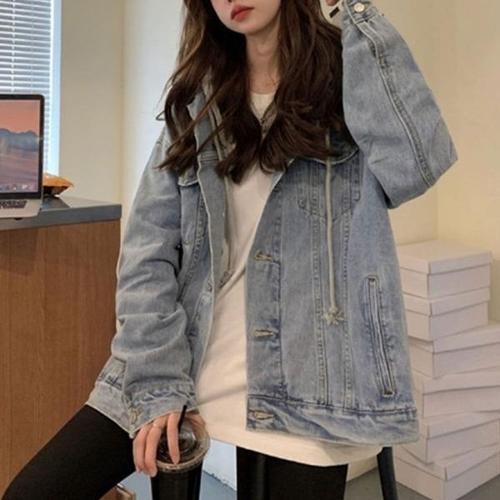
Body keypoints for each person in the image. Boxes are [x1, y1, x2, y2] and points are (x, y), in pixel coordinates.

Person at [3, 0, 458, 499]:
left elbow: (417, 168)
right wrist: (159, 379)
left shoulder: (348, 80)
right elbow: (147, 254)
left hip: (311, 377)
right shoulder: (197, 103)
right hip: (184, 353)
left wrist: (351, 9)